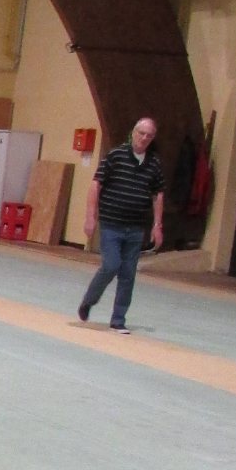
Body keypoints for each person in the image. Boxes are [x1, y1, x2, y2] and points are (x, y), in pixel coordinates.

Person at [77, 116, 165, 333]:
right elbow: (96, 185)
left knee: (128, 274)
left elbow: (158, 195)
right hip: (111, 224)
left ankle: (118, 319)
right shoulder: (115, 156)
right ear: (133, 133)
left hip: (136, 227)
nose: (144, 138)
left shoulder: (154, 163)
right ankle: (89, 300)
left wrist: (157, 225)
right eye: (141, 133)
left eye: (149, 135)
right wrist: (90, 216)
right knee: (111, 265)